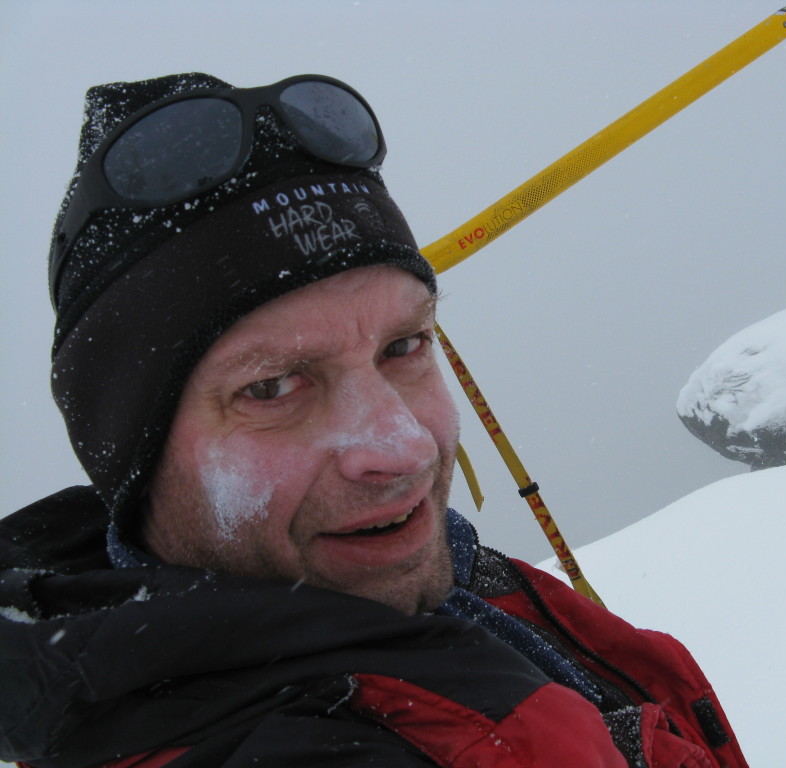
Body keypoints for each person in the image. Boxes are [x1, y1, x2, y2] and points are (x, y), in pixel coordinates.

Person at [0, 73, 748, 768]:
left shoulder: (454, 583)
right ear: (137, 456)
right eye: (272, 386)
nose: (404, 446)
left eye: (404, 346)